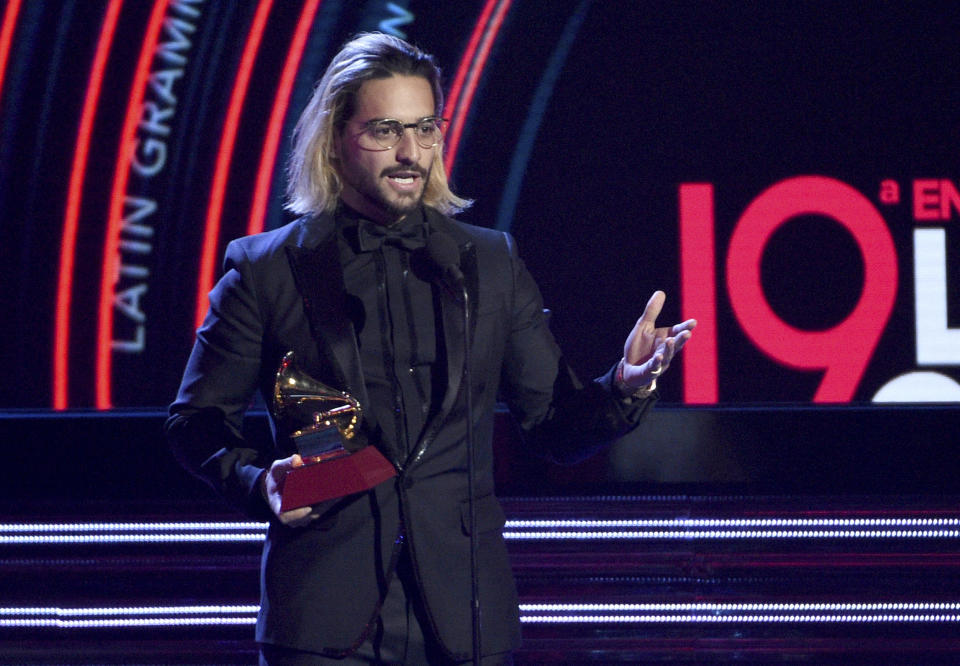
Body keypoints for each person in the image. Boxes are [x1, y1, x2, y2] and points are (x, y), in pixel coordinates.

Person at [166, 32, 695, 665]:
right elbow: (196, 423)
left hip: (465, 614)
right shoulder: (267, 269)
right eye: (385, 130)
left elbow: (554, 429)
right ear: (335, 138)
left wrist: (627, 385)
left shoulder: (491, 264)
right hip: (323, 618)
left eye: (425, 129)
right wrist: (259, 482)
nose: (410, 152)